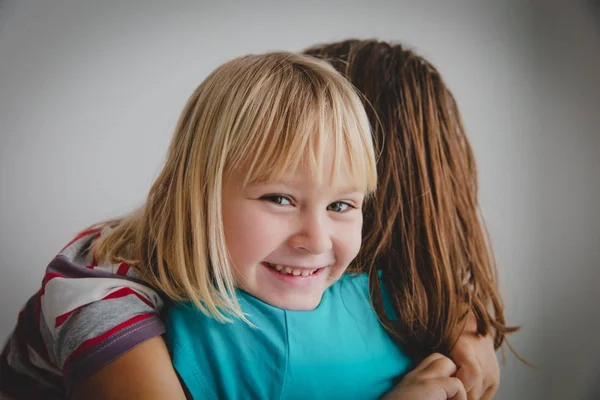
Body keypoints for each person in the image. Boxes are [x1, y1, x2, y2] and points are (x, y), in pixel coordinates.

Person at [0, 42, 514, 400]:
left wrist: (468, 331)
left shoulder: (298, 266)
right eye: (279, 198)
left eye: (342, 205)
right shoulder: (100, 294)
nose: (316, 241)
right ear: (195, 192)